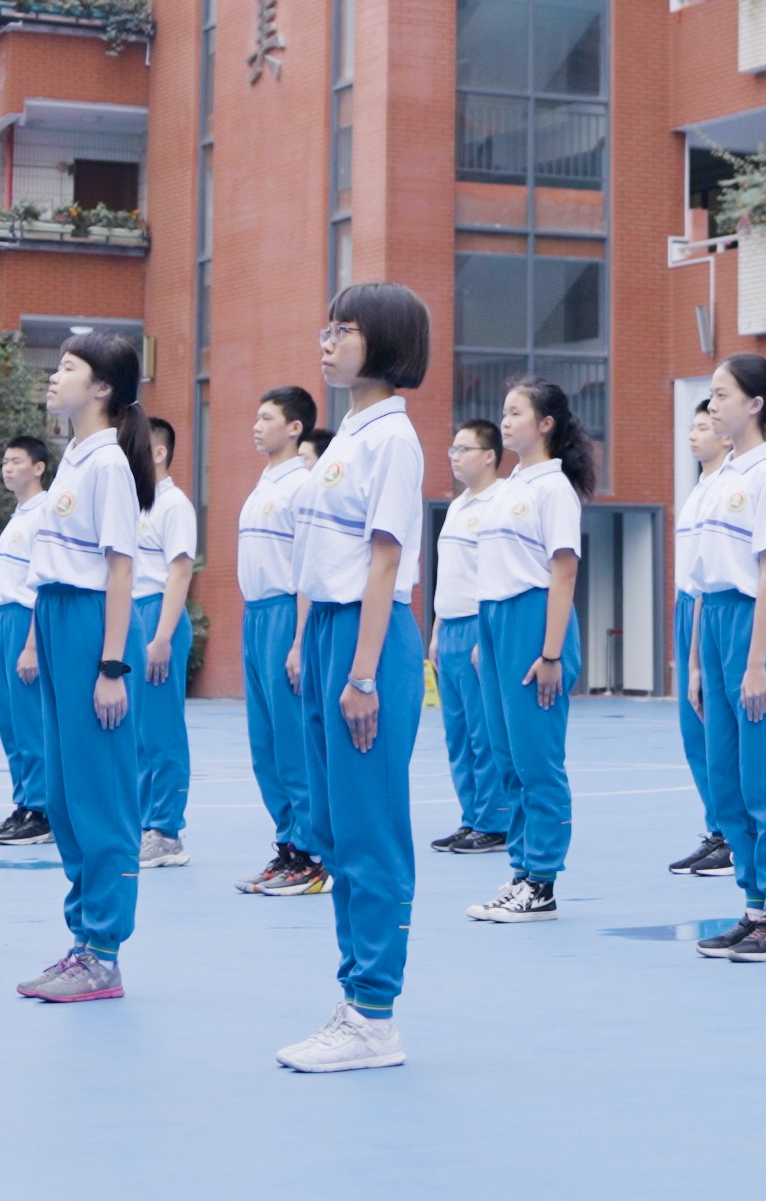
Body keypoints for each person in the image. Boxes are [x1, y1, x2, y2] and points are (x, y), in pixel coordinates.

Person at [273, 283, 434, 1074]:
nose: (327, 342)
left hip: (368, 645)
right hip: (331, 635)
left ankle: (375, 1013)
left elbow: (385, 561)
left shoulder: (391, 442)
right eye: (326, 326)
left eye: (345, 330)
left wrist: (363, 672)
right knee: (333, 831)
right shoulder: (348, 438)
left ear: (387, 343)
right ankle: (355, 998)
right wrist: (310, 642)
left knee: (368, 831)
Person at [22, 332, 153, 1004]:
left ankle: (104, 950)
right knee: (66, 797)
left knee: (99, 794)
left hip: (88, 627)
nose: (55, 375)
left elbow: (120, 571)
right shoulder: (75, 458)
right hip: (54, 617)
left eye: (67, 366)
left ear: (102, 387)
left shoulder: (107, 466)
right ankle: (83, 941)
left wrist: (112, 665)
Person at [690, 354, 766, 964]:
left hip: (754, 630)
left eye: (722, 394)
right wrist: (699, 663)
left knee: (765, 778)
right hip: (716, 625)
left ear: (756, 404)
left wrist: (755, 661)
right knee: (727, 781)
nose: (712, 405)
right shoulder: (720, 474)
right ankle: (754, 907)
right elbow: (704, 581)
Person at [465, 378, 590, 926]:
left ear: (545, 424)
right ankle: (521, 872)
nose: (505, 420)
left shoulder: (552, 489)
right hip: (494, 625)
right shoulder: (510, 486)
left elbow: (563, 571)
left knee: (537, 761)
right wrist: (480, 639)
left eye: (516, 412)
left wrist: (552, 653)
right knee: (506, 758)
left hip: (534, 623)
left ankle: (542, 881)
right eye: (504, 410)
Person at [232, 389, 328, 897]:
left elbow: (309, 570)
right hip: (255, 615)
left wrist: (297, 641)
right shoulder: (264, 482)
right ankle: (288, 846)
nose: (256, 424)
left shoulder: (303, 485)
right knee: (264, 745)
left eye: (266, 417)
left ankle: (314, 855)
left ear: (295, 428)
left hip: (286, 614)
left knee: (292, 743)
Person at [425, 420, 513, 858]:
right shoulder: (458, 504)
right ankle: (472, 817)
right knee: (456, 733)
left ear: (490, 456)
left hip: (480, 626)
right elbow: (450, 575)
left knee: (483, 733)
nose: (455, 456)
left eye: (464, 448)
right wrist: (438, 629)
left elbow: (495, 574)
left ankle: (495, 821)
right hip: (452, 626)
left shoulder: (500, 502)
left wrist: (487, 633)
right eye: (452, 448)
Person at [665, 399, 735, 878]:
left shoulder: (729, 485)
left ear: (727, 435)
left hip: (709, 606)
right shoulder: (698, 488)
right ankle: (717, 828)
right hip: (687, 606)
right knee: (696, 733)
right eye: (691, 427)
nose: (693, 435)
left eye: (703, 427)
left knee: (717, 730)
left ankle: (732, 834)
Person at [0, 434, 57, 848]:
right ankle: (24, 804)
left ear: (39, 468)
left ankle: (43, 810)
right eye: (5, 461)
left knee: (30, 720)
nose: (7, 468)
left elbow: (42, 584)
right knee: (10, 723)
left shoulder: (45, 512)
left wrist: (30, 645)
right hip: (4, 619)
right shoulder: (19, 514)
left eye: (16, 462)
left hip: (25, 620)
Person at [133, 415, 201, 872]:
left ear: (157, 452)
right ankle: (144, 822)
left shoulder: (174, 504)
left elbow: (180, 570)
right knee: (137, 732)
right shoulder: (138, 505)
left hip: (160, 615)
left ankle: (167, 831)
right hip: (135, 613)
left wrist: (161, 636)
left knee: (162, 730)